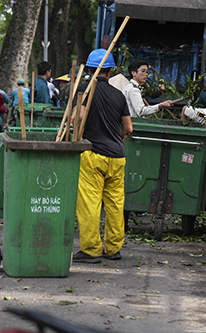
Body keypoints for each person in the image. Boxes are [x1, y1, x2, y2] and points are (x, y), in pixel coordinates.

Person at [73, 49, 132, 264]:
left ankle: (90, 250)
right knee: (115, 203)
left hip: (92, 154)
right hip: (117, 156)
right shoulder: (118, 95)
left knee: (90, 203)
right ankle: (113, 249)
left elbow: (77, 119)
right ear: (110, 72)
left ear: (89, 69)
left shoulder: (84, 90)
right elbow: (128, 128)